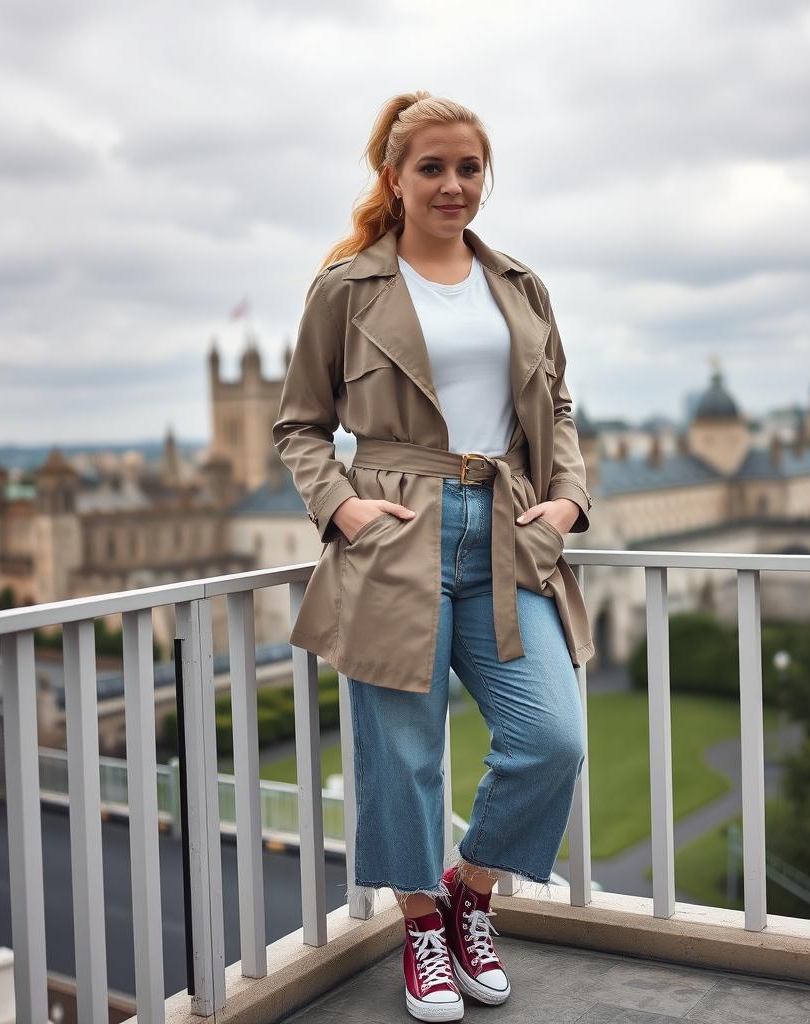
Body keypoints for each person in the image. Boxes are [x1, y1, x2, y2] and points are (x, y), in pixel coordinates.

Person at [273, 90, 593, 1022]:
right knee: (402, 755)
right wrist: (343, 510)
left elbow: (558, 406)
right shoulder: (347, 287)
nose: (454, 185)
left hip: (509, 530)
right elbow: (300, 424)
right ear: (394, 178)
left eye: (469, 168)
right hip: (397, 530)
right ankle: (421, 928)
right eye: (432, 168)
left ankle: (470, 892)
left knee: (552, 740)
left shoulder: (522, 287)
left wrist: (568, 500)